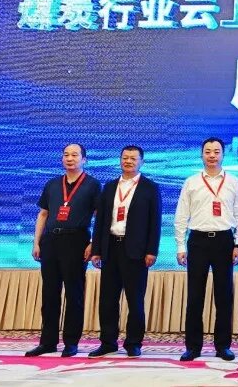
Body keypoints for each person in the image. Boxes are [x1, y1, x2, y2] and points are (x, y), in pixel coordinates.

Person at [26, 143, 101, 358]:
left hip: (76, 241)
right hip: (50, 241)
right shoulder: (52, 184)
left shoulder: (93, 185)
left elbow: (99, 217)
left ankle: (71, 342)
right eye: (66, 155)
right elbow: (43, 214)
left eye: (75, 155)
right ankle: (48, 342)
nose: (70, 158)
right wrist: (36, 242)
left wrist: (93, 244)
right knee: (49, 293)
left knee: (74, 293)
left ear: (84, 159)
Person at [174, 137, 238, 362]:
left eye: (216, 151)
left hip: (224, 241)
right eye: (208, 151)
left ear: (223, 154)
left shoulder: (233, 181)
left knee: (224, 296)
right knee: (195, 296)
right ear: (202, 155)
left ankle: (223, 346)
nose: (212, 155)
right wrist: (180, 246)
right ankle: (192, 346)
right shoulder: (191, 182)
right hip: (197, 241)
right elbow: (181, 215)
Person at [88, 145, 162, 358]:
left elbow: (155, 222)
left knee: (135, 300)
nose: (128, 161)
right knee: (107, 299)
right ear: (120, 160)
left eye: (133, 158)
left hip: (136, 251)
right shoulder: (110, 186)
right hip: (111, 247)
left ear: (141, 162)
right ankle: (108, 342)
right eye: (125, 157)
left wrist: (151, 251)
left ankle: (133, 343)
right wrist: (96, 249)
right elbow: (101, 220)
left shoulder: (150, 187)